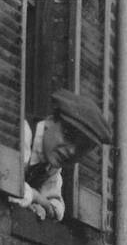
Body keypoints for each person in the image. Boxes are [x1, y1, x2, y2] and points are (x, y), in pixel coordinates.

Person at [10, 89, 112, 221]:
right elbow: (11, 186)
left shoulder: (51, 164)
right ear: (51, 121)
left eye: (80, 149)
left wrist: (41, 203)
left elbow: (57, 209)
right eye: (68, 136)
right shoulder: (22, 132)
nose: (71, 151)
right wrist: (36, 197)